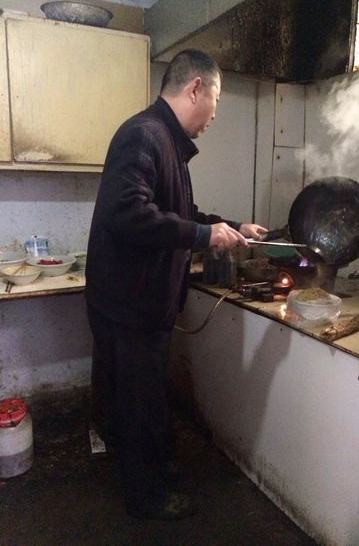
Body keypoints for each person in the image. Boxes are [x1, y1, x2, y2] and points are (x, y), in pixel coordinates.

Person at [85, 49, 267, 520]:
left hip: (139, 304)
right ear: (196, 89)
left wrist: (232, 227)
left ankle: (148, 473)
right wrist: (204, 236)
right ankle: (146, 499)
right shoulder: (145, 135)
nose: (215, 114)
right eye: (217, 101)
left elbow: (180, 215)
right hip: (130, 307)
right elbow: (127, 213)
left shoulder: (164, 141)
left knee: (141, 400)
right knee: (138, 405)